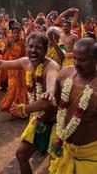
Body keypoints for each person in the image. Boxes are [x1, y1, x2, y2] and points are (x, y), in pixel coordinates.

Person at [0, 32, 60, 174]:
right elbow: (1, 63)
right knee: (21, 155)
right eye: (30, 46)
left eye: (38, 47)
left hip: (57, 124)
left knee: (56, 167)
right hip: (39, 120)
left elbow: (50, 96)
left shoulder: (51, 67)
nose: (33, 50)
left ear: (45, 51)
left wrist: (25, 109)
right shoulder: (26, 62)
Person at [49, 38, 97, 174]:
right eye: (75, 58)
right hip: (64, 148)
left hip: (90, 156)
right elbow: (54, 103)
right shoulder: (65, 74)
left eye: (82, 60)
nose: (76, 63)